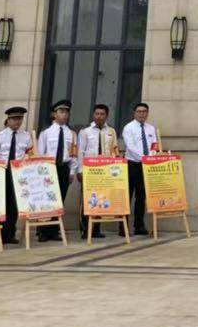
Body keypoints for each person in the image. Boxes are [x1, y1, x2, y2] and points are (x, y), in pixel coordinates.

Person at [0, 106, 34, 243]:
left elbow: (29, 154)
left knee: (14, 205)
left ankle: (10, 234)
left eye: (20, 119)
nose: (17, 122)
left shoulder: (26, 136)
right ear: (8, 120)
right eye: (14, 119)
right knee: (2, 204)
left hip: (18, 173)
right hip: (3, 172)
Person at [35, 99, 79, 241]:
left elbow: (73, 155)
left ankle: (54, 230)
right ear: (54, 114)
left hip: (63, 168)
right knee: (46, 200)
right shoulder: (46, 132)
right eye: (61, 112)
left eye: (66, 112)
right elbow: (40, 153)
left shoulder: (71, 134)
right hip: (49, 169)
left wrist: (72, 172)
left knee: (59, 200)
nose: (64, 115)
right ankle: (42, 230)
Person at [78, 104, 120, 238]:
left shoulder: (111, 131)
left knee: (101, 198)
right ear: (93, 115)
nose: (99, 116)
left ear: (106, 116)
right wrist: (80, 170)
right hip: (90, 171)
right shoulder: (85, 131)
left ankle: (96, 229)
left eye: (102, 114)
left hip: (105, 171)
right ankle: (86, 229)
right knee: (87, 199)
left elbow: (115, 150)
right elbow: (80, 152)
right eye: (97, 114)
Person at [122, 102, 160, 236]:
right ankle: (123, 227)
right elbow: (131, 147)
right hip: (132, 164)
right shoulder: (128, 128)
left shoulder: (151, 128)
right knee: (127, 195)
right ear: (134, 113)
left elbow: (154, 145)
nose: (142, 114)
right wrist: (144, 158)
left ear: (147, 113)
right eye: (139, 111)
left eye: (144, 112)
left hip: (146, 165)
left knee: (141, 196)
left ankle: (139, 225)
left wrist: (151, 157)